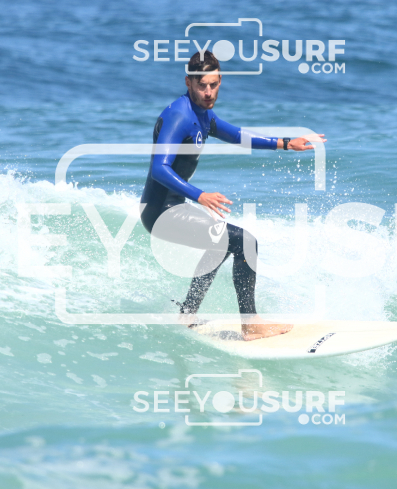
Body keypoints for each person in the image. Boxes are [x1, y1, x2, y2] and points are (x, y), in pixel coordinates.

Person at [139, 51, 325, 341]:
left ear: (220, 81)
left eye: (214, 85)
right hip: (160, 212)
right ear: (188, 83)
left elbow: (238, 135)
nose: (208, 92)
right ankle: (250, 324)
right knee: (244, 241)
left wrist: (286, 143)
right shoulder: (179, 115)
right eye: (202, 85)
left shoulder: (203, 115)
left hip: (173, 206)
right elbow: (159, 169)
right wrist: (200, 195)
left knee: (223, 242)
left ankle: (188, 313)